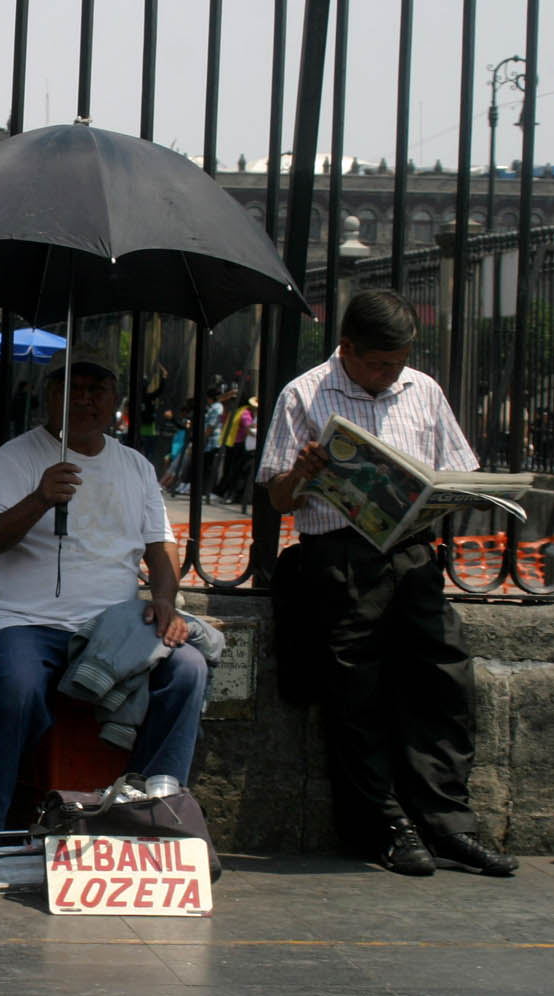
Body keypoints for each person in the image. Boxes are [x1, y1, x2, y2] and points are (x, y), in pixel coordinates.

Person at [258, 288, 517, 877]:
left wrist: (452, 496)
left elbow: (457, 469)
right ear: (346, 348)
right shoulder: (304, 394)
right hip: (341, 560)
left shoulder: (422, 390)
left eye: (398, 363)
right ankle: (384, 826)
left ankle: (448, 822)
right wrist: (303, 473)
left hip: (412, 555)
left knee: (443, 681)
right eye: (378, 364)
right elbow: (279, 498)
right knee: (356, 695)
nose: (390, 375)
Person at [0, 342, 210, 832]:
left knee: (188, 668)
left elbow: (161, 545)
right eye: (73, 388)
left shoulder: (135, 466)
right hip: (23, 621)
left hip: (111, 627)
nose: (86, 400)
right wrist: (40, 498)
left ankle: (153, 808)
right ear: (50, 395)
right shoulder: (16, 457)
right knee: (17, 688)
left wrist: (163, 597)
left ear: (114, 399)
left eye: (98, 389)